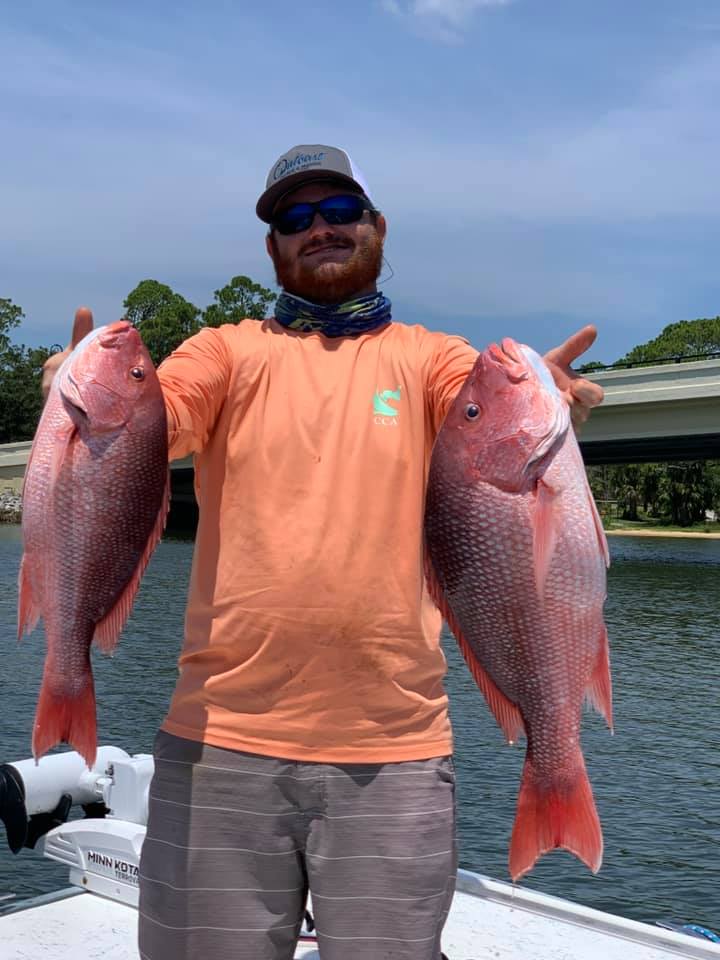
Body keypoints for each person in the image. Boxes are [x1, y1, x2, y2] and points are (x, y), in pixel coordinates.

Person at [44, 144, 603, 960]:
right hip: (217, 743)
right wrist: (80, 397)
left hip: (395, 753)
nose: (320, 230)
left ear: (377, 227)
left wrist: (543, 403)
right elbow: (148, 420)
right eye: (294, 219)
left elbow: (489, 442)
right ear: (273, 247)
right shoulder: (225, 352)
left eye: (339, 212)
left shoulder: (434, 361)